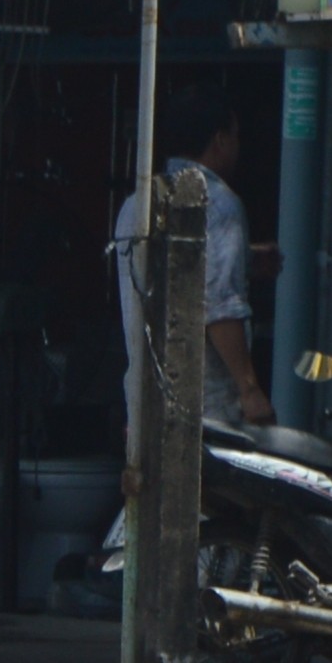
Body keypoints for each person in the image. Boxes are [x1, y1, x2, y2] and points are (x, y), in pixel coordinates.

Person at [106, 104, 270, 433]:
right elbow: (219, 306)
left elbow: (166, 271)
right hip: (207, 403)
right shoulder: (219, 203)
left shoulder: (136, 203)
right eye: (235, 137)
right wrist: (249, 389)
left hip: (145, 394)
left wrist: (245, 259)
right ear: (220, 141)